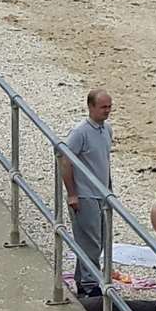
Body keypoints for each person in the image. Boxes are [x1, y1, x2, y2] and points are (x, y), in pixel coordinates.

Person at [60, 90, 115, 298]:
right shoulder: (80, 132)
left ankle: (82, 280)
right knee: (90, 241)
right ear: (91, 107)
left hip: (101, 194)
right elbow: (65, 160)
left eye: (109, 106)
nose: (107, 111)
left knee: (98, 240)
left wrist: (109, 190)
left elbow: (104, 162)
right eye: (103, 107)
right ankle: (90, 284)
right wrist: (72, 193)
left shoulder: (106, 129)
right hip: (85, 194)